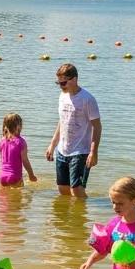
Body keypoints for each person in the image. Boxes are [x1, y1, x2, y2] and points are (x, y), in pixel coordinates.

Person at [45, 63, 101, 198]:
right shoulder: (62, 96)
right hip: (62, 150)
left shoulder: (88, 99)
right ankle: (67, 219)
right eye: (58, 83)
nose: (61, 86)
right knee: (62, 189)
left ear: (74, 79)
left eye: (63, 83)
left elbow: (97, 126)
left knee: (76, 190)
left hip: (81, 151)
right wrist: (52, 144)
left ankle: (82, 217)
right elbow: (62, 121)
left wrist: (93, 152)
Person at [0, 113, 37, 187]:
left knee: (3, 197)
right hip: (15, 176)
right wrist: (31, 175)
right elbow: (25, 161)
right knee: (17, 198)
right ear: (18, 126)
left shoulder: (2, 141)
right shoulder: (21, 142)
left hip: (2, 176)